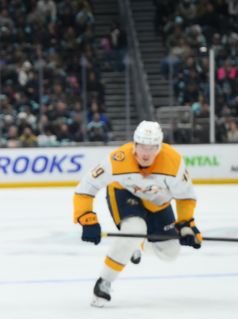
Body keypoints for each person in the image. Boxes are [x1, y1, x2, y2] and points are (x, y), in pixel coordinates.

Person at [73, 120, 202, 307]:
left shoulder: (173, 162)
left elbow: (186, 196)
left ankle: (138, 243)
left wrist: (186, 225)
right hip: (124, 193)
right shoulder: (118, 159)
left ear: (159, 147)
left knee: (170, 252)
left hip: (157, 202)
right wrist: (87, 219)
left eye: (152, 147)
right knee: (134, 230)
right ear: (134, 144)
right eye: (141, 146)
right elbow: (86, 187)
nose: (145, 153)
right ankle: (104, 282)